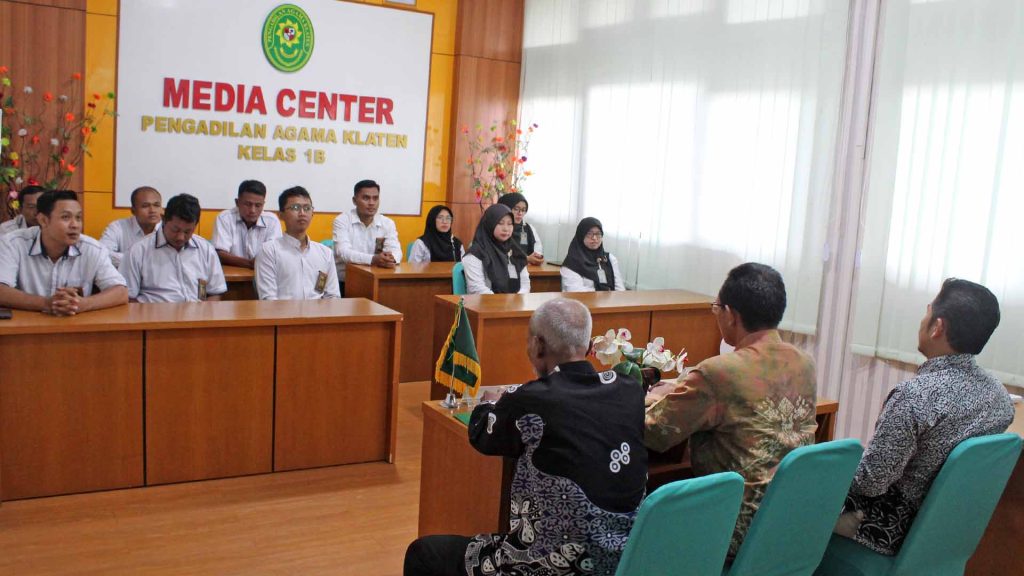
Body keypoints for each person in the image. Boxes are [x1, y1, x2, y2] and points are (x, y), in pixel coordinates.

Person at [404, 298, 648, 576]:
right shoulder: (629, 389)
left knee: (423, 554)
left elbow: (482, 435)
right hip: (624, 559)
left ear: (537, 345)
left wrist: (490, 403)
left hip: (548, 564)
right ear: (590, 346)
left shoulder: (530, 400)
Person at [644, 262, 817, 556]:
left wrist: (653, 398)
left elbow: (656, 433)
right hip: (790, 519)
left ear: (731, 315)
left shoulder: (719, 372)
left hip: (736, 524)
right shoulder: (804, 362)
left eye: (716, 307)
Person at [834, 278, 1014, 556]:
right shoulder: (999, 396)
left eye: (926, 312)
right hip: (944, 534)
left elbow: (871, 483)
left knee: (793, 495)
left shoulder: (915, 396)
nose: (922, 320)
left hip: (887, 530)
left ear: (937, 327)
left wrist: (831, 471)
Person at [0, 189, 127, 315]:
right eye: (66, 217)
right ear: (43, 220)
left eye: (78, 218)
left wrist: (83, 304)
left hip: (74, 324)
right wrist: (47, 303)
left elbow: (120, 292)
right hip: (26, 324)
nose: (75, 225)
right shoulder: (13, 243)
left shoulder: (93, 249)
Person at [120, 193, 226, 303]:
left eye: (187, 232)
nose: (180, 237)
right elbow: (128, 297)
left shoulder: (206, 249)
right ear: (163, 220)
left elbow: (215, 292)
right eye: (175, 230)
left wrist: (203, 311)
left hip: (196, 311)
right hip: (155, 312)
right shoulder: (138, 251)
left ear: (195, 225)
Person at [255, 186, 340, 300]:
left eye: (307, 208)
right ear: (281, 215)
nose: (302, 213)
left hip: (319, 311)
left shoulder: (325, 253)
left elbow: (332, 296)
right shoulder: (269, 251)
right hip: (282, 311)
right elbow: (268, 299)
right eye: (295, 207)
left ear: (312, 214)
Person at [332, 179, 402, 295]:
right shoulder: (342, 220)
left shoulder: (387, 223)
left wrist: (391, 259)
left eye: (375, 198)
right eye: (366, 198)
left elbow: (396, 250)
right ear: (354, 200)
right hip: (345, 283)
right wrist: (373, 259)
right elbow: (344, 253)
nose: (371, 203)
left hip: (376, 281)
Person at [212, 179, 282, 269]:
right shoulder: (225, 218)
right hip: (232, 274)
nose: (252, 210)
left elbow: (275, 254)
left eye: (258, 205)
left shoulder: (272, 221)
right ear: (237, 202)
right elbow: (219, 254)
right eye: (248, 204)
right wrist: (250, 264)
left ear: (263, 204)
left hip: (263, 274)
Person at [462, 204, 530, 294]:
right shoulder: (475, 254)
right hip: (486, 301)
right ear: (490, 224)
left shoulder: (515, 250)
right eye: (500, 223)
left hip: (514, 301)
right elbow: (477, 289)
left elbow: (525, 285)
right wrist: (504, 301)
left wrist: (516, 299)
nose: (506, 229)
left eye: (510, 224)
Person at [99, 185, 163, 267]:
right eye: (145, 206)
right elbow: (102, 253)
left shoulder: (168, 229)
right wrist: (136, 260)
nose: (152, 210)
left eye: (156, 205)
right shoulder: (118, 227)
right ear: (133, 210)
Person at [560, 217, 625, 292]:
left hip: (610, 299)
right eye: (589, 233)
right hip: (580, 299)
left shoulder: (610, 259)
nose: (594, 238)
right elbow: (575, 291)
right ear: (581, 235)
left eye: (598, 234)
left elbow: (620, 289)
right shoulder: (572, 262)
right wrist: (604, 292)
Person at [497, 192, 544, 265]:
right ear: (506, 208)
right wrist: (526, 259)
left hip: (528, 268)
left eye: (523, 210)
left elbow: (537, 248)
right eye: (516, 209)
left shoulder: (528, 228)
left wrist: (537, 257)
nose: (520, 213)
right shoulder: (497, 229)